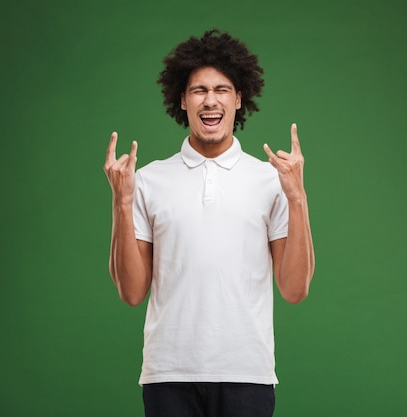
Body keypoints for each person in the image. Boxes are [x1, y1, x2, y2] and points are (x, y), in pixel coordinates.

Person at [103, 29, 315, 417]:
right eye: (198, 90)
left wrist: (297, 197)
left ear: (239, 99)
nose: (210, 100)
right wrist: (123, 200)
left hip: (247, 374)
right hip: (168, 375)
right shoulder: (148, 180)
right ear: (182, 100)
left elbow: (295, 289)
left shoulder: (271, 180)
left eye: (222, 89)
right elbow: (132, 293)